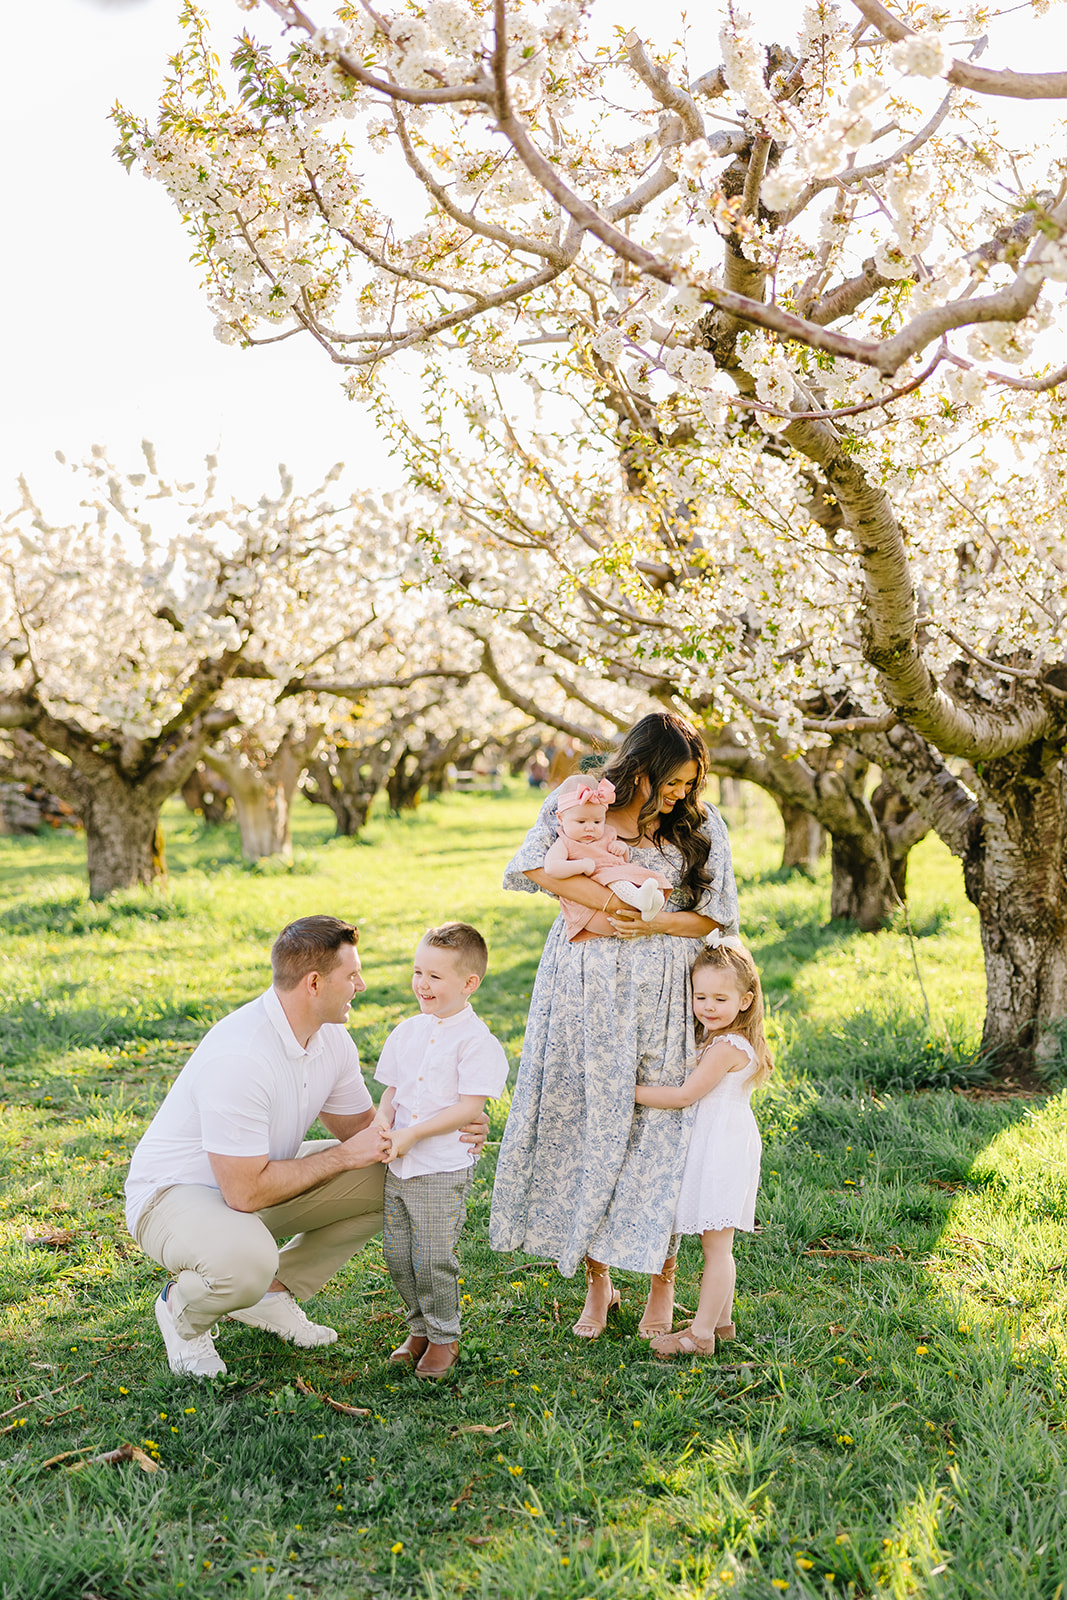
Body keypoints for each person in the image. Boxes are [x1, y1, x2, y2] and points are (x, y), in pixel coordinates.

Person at [124, 915, 488, 1378]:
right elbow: (244, 1194)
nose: (362, 984)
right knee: (244, 1261)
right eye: (351, 974)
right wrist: (341, 1157)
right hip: (174, 1196)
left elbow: (364, 1132)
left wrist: (457, 1121)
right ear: (314, 983)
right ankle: (183, 1315)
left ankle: (271, 1294)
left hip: (252, 1178)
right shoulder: (242, 1056)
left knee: (393, 1176)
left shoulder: (331, 1038)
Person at [489, 710, 740, 1341]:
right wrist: (612, 901)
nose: (682, 794)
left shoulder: (701, 827)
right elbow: (534, 870)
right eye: (672, 781)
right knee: (590, 1124)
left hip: (664, 994)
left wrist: (651, 921)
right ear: (641, 769)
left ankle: (661, 1277)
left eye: (690, 782)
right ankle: (598, 1281)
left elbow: (714, 919)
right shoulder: (579, 802)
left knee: (659, 1133)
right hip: (583, 990)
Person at [373, 922, 509, 1379]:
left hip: (439, 1167)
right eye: (417, 972)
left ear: (469, 983)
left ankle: (445, 1337)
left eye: (434, 976)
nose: (422, 984)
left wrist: (413, 1135)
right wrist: (384, 1119)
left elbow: (468, 1107)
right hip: (399, 1165)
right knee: (397, 1254)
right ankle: (419, 1328)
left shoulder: (476, 1042)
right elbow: (393, 1089)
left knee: (432, 1257)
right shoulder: (408, 1031)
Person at [634, 937, 772, 1358]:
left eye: (720, 998)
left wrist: (627, 1093)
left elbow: (682, 1096)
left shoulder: (727, 1047)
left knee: (717, 1247)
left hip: (723, 1150)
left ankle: (700, 1335)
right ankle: (722, 1322)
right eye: (700, 996)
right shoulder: (725, 1040)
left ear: (746, 1000)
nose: (708, 1006)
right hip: (722, 1144)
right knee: (716, 1242)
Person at [543, 774, 673, 939]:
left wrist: (620, 848)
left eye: (597, 822)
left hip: (615, 876)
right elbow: (551, 868)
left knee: (647, 876)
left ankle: (652, 903)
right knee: (614, 878)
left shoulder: (607, 833)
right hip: (593, 905)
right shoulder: (565, 842)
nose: (590, 828)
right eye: (581, 822)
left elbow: (623, 861)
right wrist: (581, 865)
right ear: (561, 818)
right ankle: (640, 900)